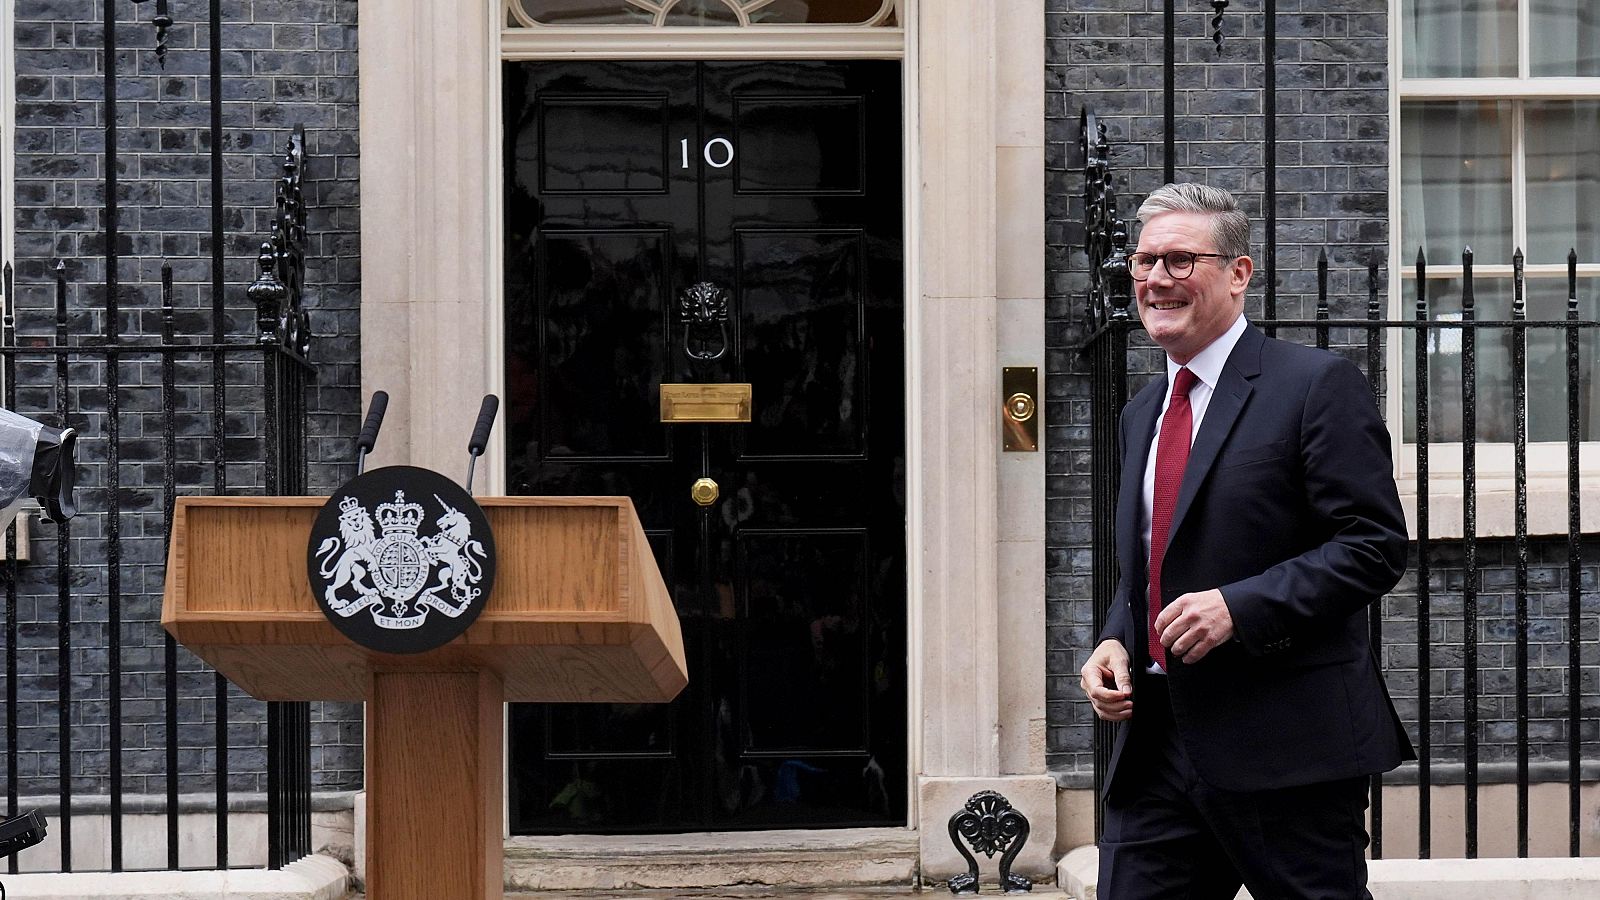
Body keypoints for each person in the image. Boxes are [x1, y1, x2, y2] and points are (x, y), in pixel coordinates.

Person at [1079, 183, 1413, 898]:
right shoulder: (1143, 412)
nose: (1155, 279)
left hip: (1286, 747)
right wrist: (1114, 637)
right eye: (1143, 262)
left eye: (1178, 259)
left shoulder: (1315, 385)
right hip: (1158, 747)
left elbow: (1373, 544)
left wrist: (1240, 606)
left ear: (1238, 273)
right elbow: (1151, 563)